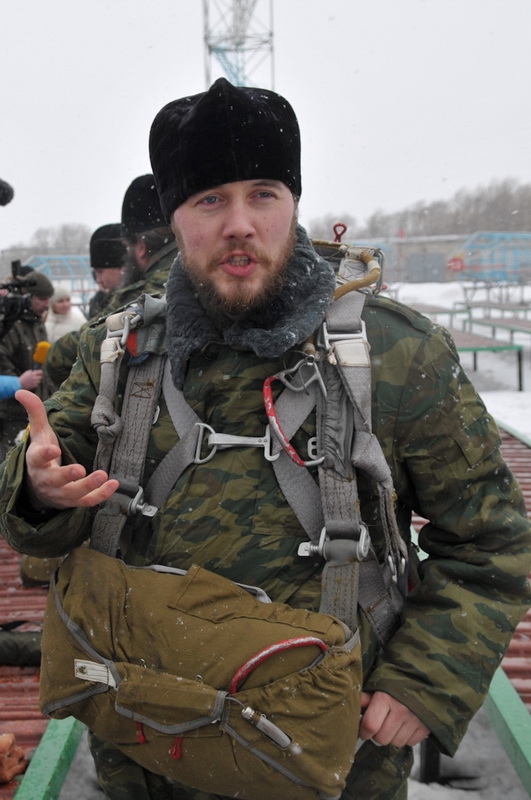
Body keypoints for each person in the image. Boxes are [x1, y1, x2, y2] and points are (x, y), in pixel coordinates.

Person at [0, 78, 530, 800]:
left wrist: (425, 681)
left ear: (294, 205)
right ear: (174, 219)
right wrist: (39, 489)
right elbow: (41, 516)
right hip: (147, 748)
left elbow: (493, 541)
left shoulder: (395, 355)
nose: (239, 223)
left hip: (330, 759)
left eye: (263, 194)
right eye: (209, 200)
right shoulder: (115, 353)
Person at [45, 175, 177, 387]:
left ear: (140, 247)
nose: (98, 280)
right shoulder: (205, 277)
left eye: (127, 247)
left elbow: (67, 354)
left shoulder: (139, 297)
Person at [0, 270, 55, 461]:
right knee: (10, 463)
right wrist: (19, 383)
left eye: (48, 299)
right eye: (41, 298)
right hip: (13, 414)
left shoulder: (36, 322)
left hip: (37, 410)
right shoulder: (10, 325)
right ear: (27, 296)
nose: (47, 305)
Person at [87, 223, 126, 319]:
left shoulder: (136, 301)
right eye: (95, 273)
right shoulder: (99, 302)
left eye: (100, 272)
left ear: (121, 268)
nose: (98, 280)